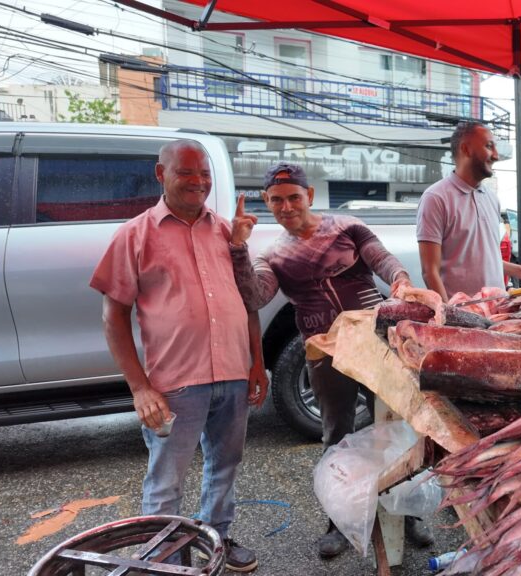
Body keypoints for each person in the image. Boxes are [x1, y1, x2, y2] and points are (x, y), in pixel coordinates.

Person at [228, 162, 434, 558]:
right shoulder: (271, 255)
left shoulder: (347, 228)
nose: (286, 207)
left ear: (309, 195)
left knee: (396, 427)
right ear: (267, 202)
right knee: (336, 435)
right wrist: (238, 248)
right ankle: (338, 521)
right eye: (276, 200)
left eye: (293, 197)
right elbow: (255, 296)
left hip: (376, 343)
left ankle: (407, 513)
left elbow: (382, 259)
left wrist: (400, 279)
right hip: (324, 353)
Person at [91, 139, 266, 573]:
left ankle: (217, 537)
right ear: (161, 174)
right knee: (166, 479)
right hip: (176, 383)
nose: (198, 182)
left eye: (204, 174)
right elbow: (113, 317)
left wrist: (257, 363)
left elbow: (247, 303)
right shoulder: (135, 235)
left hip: (232, 373)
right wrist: (140, 388)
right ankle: (162, 559)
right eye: (186, 172)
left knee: (225, 466)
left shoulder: (225, 231)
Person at [417, 121, 521, 300]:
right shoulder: (436, 198)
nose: (496, 156)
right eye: (489, 146)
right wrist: (449, 313)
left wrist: (515, 269)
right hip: (462, 315)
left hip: (498, 310)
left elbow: (481, 258)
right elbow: (429, 271)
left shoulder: (492, 198)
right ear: (466, 149)